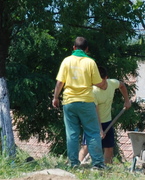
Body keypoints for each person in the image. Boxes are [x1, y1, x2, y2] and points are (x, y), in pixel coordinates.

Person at [53, 37, 107, 169]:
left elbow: (60, 82)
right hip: (86, 102)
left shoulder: (66, 61)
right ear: (87, 49)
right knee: (93, 133)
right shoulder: (90, 62)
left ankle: (73, 163)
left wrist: (55, 97)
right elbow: (98, 83)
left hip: (69, 102)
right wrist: (104, 84)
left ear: (74, 48)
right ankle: (98, 164)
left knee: (72, 134)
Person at [79, 66, 131, 165]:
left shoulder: (112, 83)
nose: (96, 83)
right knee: (87, 146)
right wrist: (99, 129)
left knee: (109, 148)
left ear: (106, 78)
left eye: (99, 81)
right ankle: (77, 165)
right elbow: (95, 112)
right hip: (92, 122)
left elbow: (122, 85)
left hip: (107, 121)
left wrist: (127, 101)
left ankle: (106, 168)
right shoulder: (93, 91)